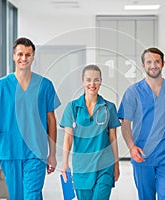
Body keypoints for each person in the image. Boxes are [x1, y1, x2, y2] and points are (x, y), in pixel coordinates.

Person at [0, 37, 61, 200]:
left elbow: (51, 121)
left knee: (32, 195)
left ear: (33, 57)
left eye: (28, 54)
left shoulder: (45, 85)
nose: (24, 58)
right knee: (17, 197)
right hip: (9, 152)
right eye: (20, 54)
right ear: (14, 56)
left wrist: (52, 154)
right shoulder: (1, 86)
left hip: (36, 153)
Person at [118, 47, 165, 200]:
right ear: (143, 65)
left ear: (163, 63)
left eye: (157, 61)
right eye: (149, 62)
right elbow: (125, 123)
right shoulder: (133, 92)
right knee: (146, 197)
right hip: (142, 154)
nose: (153, 65)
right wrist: (131, 147)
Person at [60, 64, 120, 200]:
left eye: (96, 80)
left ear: (101, 81)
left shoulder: (109, 107)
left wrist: (116, 164)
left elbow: (113, 138)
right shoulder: (72, 107)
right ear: (83, 81)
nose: (92, 84)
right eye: (88, 80)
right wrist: (65, 164)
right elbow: (68, 138)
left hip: (104, 165)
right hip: (82, 168)